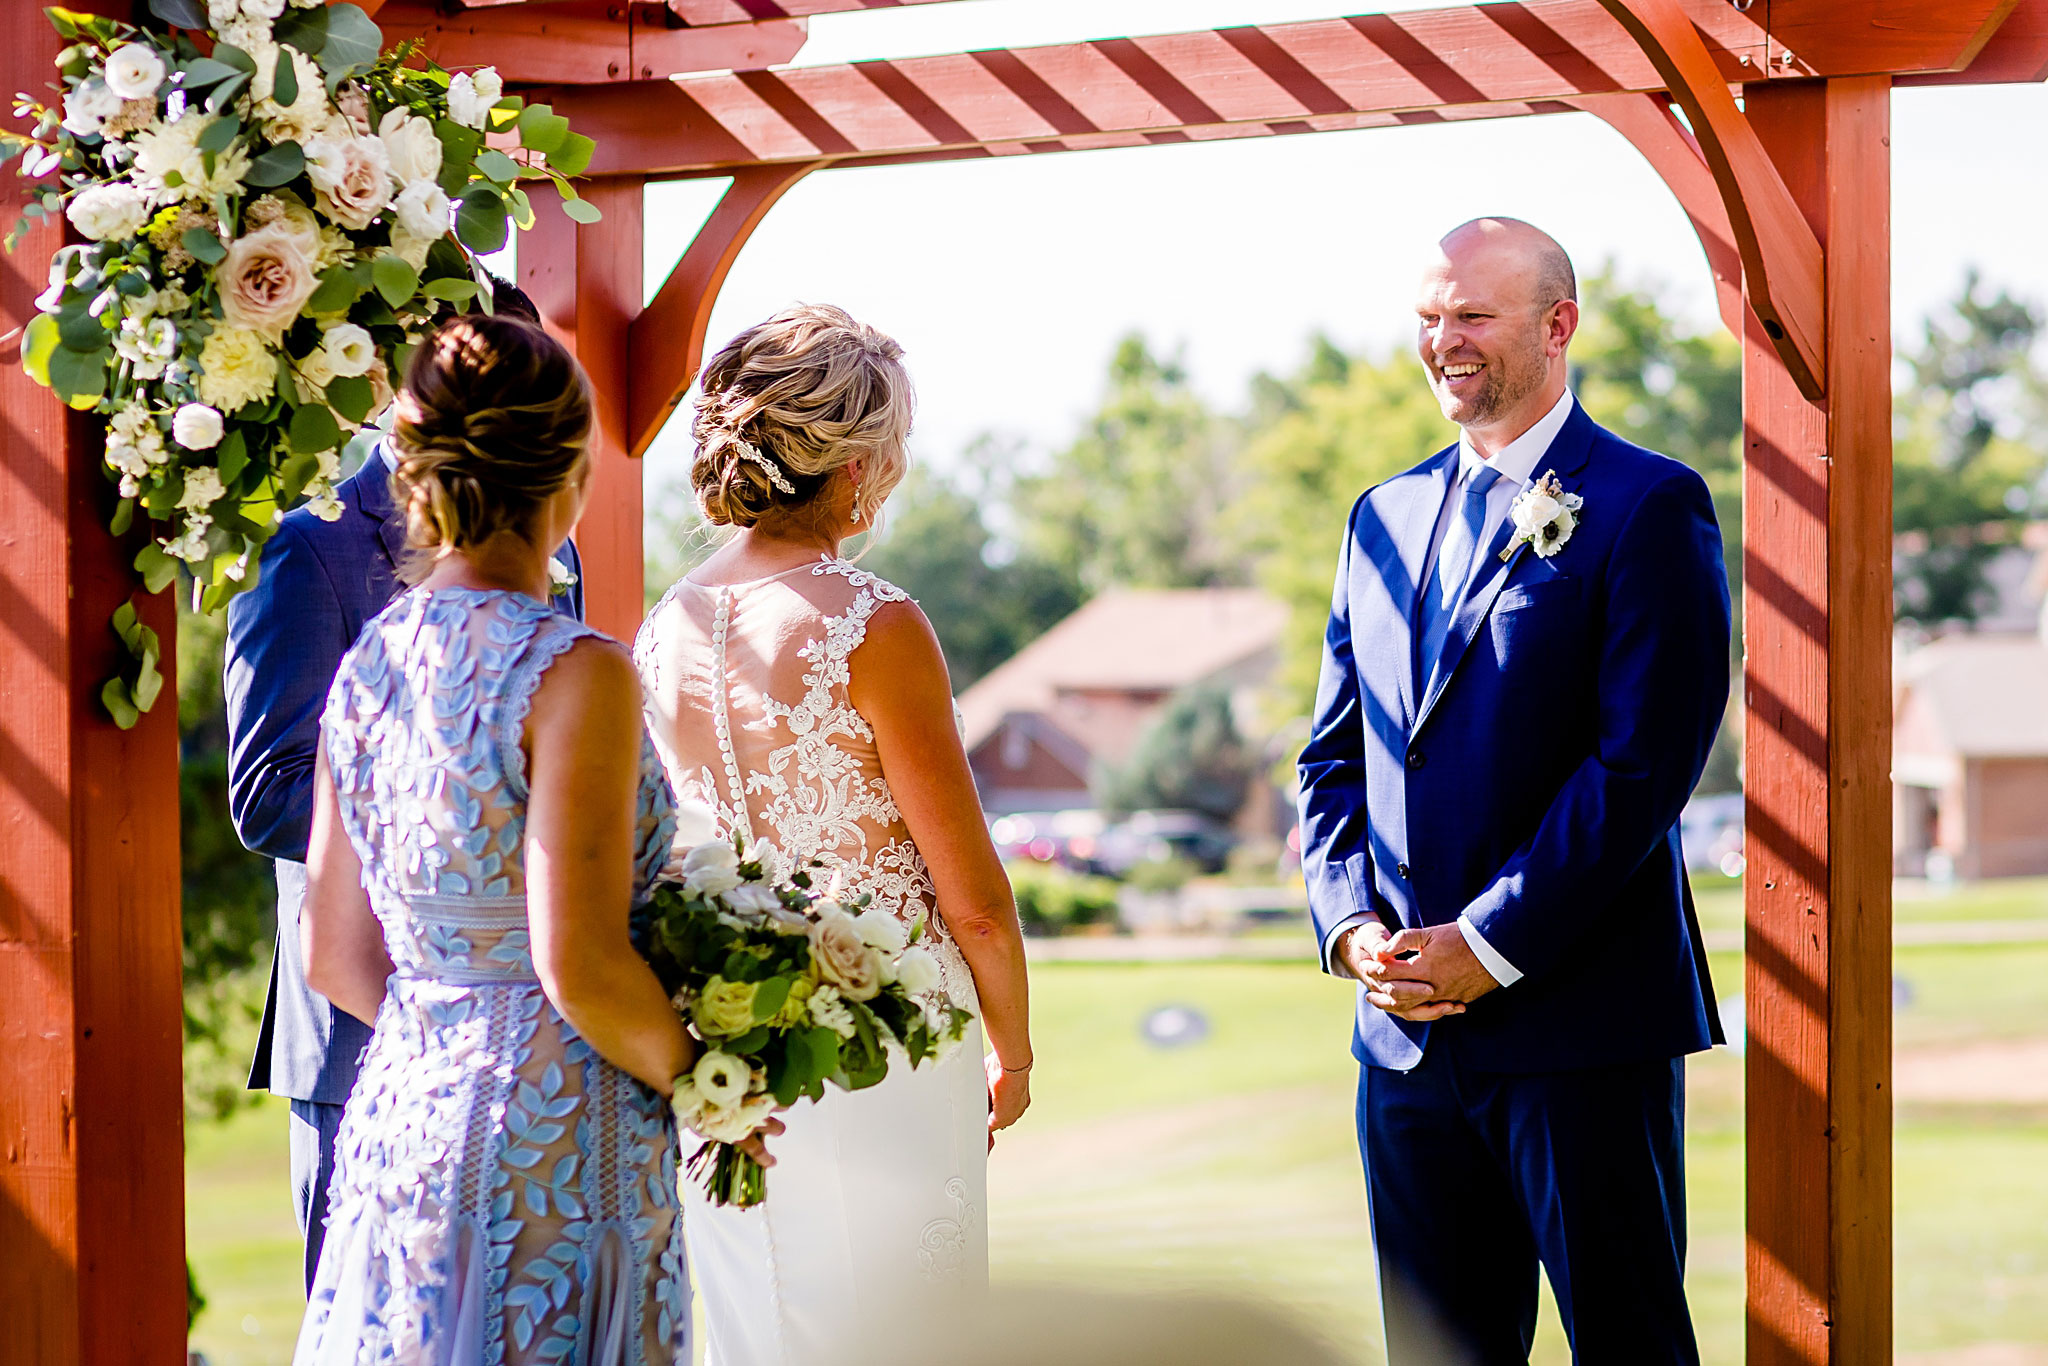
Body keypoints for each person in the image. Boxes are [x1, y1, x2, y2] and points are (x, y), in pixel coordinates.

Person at [1297, 219, 1729, 1364]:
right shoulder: (1376, 518)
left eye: (1471, 315)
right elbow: (1332, 757)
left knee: (1627, 1343)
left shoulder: (1647, 503)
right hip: (1400, 1042)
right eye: (1429, 317)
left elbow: (1641, 768)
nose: (1444, 341)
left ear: (1557, 324)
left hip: (1581, 1024)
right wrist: (1349, 930)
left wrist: (1483, 943)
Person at [290, 314, 694, 1362]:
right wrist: (703, 1078)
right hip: (555, 1143)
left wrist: (455, 1035)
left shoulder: (369, 661)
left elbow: (331, 953)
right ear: (570, 473)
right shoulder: (577, 670)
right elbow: (582, 963)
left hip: (400, 1125)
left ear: (416, 478)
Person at [634, 303, 1034, 1360]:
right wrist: (1016, 1049)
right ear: (853, 466)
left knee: (761, 1326)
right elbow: (974, 899)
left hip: (726, 1036)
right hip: (884, 1035)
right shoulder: (872, 621)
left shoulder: (661, 626)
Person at [223, 282, 582, 1290]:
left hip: (533, 1030)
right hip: (359, 1023)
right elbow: (269, 788)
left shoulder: (558, 548)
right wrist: (471, 833)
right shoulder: (311, 544)